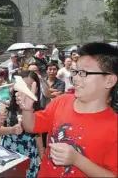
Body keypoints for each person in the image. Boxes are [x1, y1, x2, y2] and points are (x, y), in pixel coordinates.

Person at [15, 42, 118, 177]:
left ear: (109, 80)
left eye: (83, 73)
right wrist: (27, 110)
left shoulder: (114, 127)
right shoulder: (61, 102)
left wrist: (77, 160)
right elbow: (31, 127)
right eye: (75, 71)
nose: (75, 78)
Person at [1, 70, 45, 178]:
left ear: (36, 89)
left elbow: (38, 136)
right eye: (23, 86)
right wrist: (11, 130)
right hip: (9, 152)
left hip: (29, 154)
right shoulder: (7, 106)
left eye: (30, 87)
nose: (26, 90)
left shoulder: (39, 111)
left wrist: (42, 155)